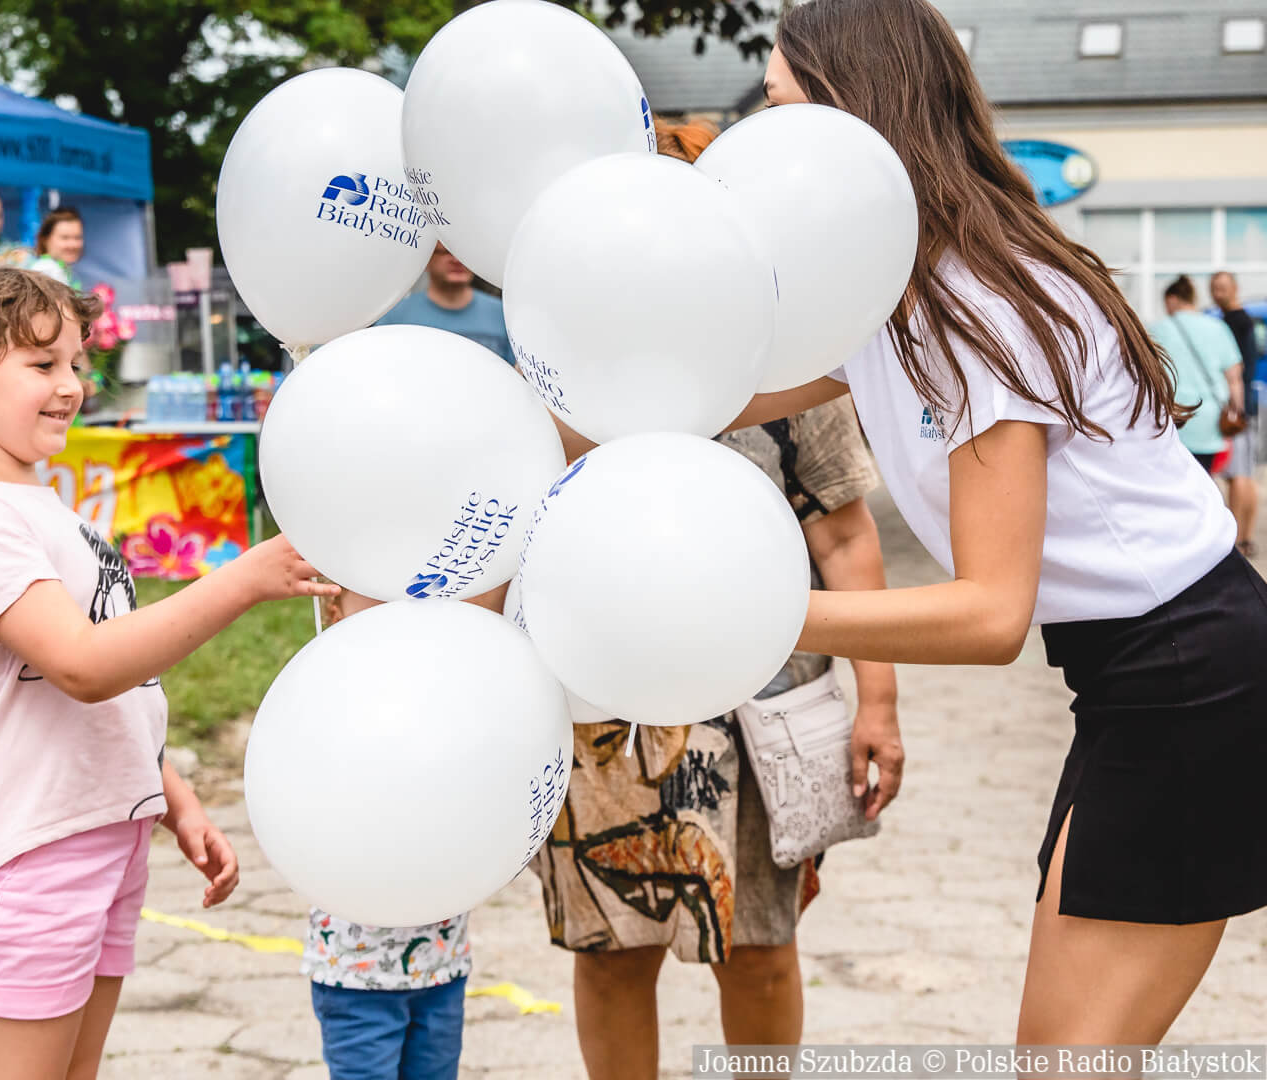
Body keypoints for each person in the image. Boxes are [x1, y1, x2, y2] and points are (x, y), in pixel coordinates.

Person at [737, 0, 1267, 1047]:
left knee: (1070, 1064)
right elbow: (709, 392)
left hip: (1191, 677)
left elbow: (989, 615)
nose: (764, 135)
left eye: (784, 105)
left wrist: (749, 618)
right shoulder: (886, 291)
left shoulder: (972, 301)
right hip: (1142, 675)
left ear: (863, 120)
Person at [0, 267, 337, 1080]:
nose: (71, 385)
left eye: (75, 363)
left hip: (94, 838)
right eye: (41, 365)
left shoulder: (33, 502)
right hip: (21, 856)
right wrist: (241, 578)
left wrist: (167, 791)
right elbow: (83, 666)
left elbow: (104, 682)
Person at [533, 118, 902, 1080]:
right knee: (611, 950)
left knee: (762, 946)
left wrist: (881, 702)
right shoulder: (557, 369)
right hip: (596, 709)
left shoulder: (785, 367)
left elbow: (846, 533)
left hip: (758, 704)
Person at [303, 586, 496, 1080]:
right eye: (376, 596)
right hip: (356, 970)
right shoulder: (326, 697)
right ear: (334, 608)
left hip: (442, 960)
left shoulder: (450, 698)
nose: (398, 612)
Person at [1150, 275, 1244, 475]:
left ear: (1171, 300)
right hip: (1209, 420)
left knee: (1174, 481)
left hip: (1171, 419)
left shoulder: (1156, 330)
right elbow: (1234, 378)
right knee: (1204, 480)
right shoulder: (1218, 328)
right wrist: (1237, 411)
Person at [376, 242, 514, 364]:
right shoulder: (394, 317)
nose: (456, 260)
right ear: (426, 260)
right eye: (446, 252)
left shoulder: (503, 314)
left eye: (464, 254)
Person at [1212, 271, 1262, 553]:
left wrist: (1236, 408)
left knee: (1238, 474)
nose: (1216, 293)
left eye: (1221, 288)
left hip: (1237, 409)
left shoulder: (1232, 322)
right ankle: (1245, 537)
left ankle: (1239, 540)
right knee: (1245, 473)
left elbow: (1236, 370)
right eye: (1213, 288)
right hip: (1246, 408)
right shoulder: (1246, 321)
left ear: (1234, 289)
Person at [28, 207, 86, 292]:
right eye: (65, 238)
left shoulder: (61, 270)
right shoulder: (45, 270)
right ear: (45, 240)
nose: (73, 245)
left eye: (77, 237)